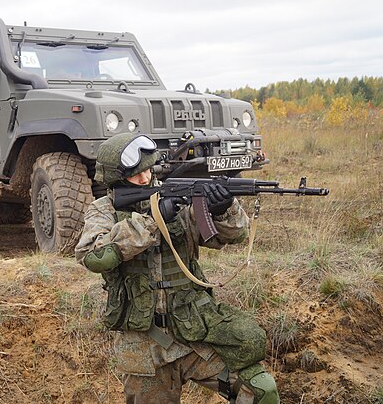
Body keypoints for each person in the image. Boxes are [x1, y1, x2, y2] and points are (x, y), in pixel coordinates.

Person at [75, 133, 279, 403]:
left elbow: (232, 236)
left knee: (261, 389)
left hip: (193, 332)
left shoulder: (177, 196)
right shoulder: (103, 210)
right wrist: (153, 219)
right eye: (135, 175)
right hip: (143, 347)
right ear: (114, 177)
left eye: (147, 170)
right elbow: (94, 256)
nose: (145, 179)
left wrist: (222, 208)